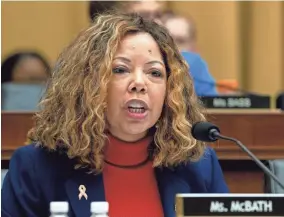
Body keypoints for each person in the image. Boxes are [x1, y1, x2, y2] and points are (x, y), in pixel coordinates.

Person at [1, 12, 228, 217]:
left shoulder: (199, 167)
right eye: (120, 69)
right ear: (88, 84)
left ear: (171, 90)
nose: (139, 83)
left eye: (155, 73)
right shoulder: (36, 167)